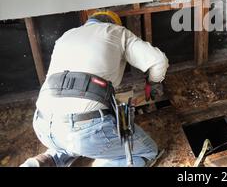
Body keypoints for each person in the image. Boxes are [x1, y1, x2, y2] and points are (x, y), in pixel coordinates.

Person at [21, 10, 169, 167]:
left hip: (44, 126)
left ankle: (44, 161)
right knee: (147, 151)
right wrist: (152, 84)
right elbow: (159, 61)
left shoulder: (66, 35)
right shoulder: (116, 31)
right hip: (85, 132)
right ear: (112, 23)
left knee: (69, 141)